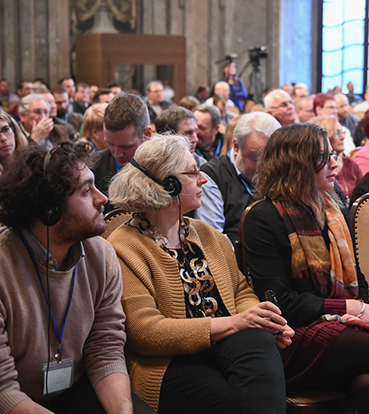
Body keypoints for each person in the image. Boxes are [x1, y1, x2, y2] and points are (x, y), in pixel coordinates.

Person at [0, 141, 152, 414]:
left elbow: (105, 349)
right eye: (85, 190)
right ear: (49, 209)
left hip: (67, 389)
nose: (101, 198)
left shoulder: (101, 255)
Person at [242, 123, 369, 413]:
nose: (335, 162)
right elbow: (280, 302)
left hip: (340, 335)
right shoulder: (264, 218)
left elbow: (361, 280)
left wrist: (356, 311)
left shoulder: (332, 211)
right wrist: (351, 309)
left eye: (332, 153)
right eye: (323, 156)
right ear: (297, 164)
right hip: (291, 340)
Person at [107, 135, 291, 413]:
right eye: (193, 172)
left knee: (259, 339)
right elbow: (146, 333)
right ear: (165, 184)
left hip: (225, 347)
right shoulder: (123, 247)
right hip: (168, 363)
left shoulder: (206, 234)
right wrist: (236, 323)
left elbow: (241, 292)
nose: (203, 179)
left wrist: (261, 318)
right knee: (232, 398)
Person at [198, 112, 281, 245]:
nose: (266, 167)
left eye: (271, 158)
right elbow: (213, 241)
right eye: (256, 158)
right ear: (236, 146)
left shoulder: (278, 170)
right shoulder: (212, 176)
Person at [92, 93, 152, 204]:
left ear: (147, 134)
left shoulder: (168, 169)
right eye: (110, 144)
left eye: (126, 146)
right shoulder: (93, 168)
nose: (117, 154)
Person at [310, 115, 362, 203]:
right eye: (337, 133)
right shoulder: (315, 168)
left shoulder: (350, 163)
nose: (343, 137)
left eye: (342, 132)